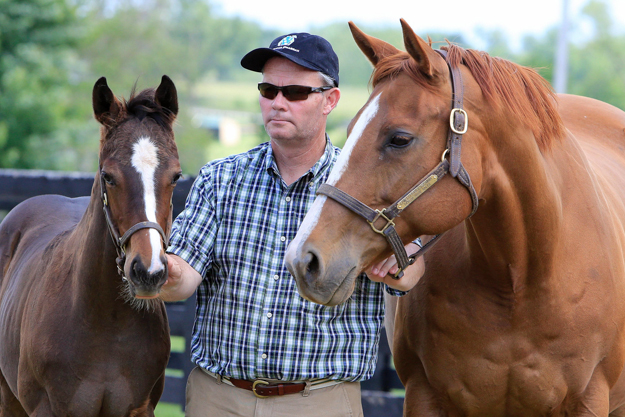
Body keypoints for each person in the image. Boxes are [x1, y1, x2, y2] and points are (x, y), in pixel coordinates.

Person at [160, 32, 425, 417]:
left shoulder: (367, 184)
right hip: (217, 398)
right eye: (268, 90)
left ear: (329, 100)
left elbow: (413, 268)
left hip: (320, 401)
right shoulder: (221, 178)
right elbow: (184, 276)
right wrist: (162, 270)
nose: (278, 103)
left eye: (295, 93)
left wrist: (399, 265)